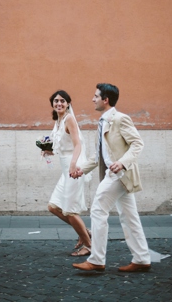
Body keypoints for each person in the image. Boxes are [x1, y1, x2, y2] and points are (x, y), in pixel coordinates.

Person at [71, 83, 151, 272]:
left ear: (105, 100)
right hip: (116, 174)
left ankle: (97, 260)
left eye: (96, 96)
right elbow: (100, 155)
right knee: (129, 216)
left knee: (98, 209)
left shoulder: (120, 119)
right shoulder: (102, 121)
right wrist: (82, 169)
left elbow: (137, 143)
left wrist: (122, 163)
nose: (93, 99)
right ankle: (141, 258)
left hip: (119, 174)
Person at [41, 90, 93, 256]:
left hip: (74, 167)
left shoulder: (69, 118)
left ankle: (89, 246)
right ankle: (85, 231)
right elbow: (61, 147)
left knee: (70, 210)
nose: (59, 103)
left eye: (62, 101)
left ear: (68, 103)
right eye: (56, 101)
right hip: (65, 169)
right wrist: (47, 151)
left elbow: (77, 145)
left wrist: (73, 164)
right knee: (53, 206)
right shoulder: (58, 121)